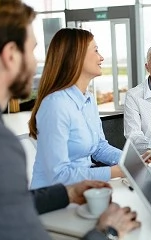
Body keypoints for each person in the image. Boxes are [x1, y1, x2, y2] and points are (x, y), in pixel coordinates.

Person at [0, 1, 140, 240]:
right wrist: (108, 231)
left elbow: (98, 147)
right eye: (32, 51)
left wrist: (69, 193)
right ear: (10, 55)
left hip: (67, 196)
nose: (37, 62)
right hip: (55, 211)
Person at [28, 28, 125, 189]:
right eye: (96, 50)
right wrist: (115, 172)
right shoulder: (55, 105)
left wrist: (132, 161)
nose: (101, 57)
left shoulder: (88, 99)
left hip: (80, 191)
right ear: (76, 57)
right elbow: (58, 175)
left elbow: (99, 148)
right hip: (52, 200)